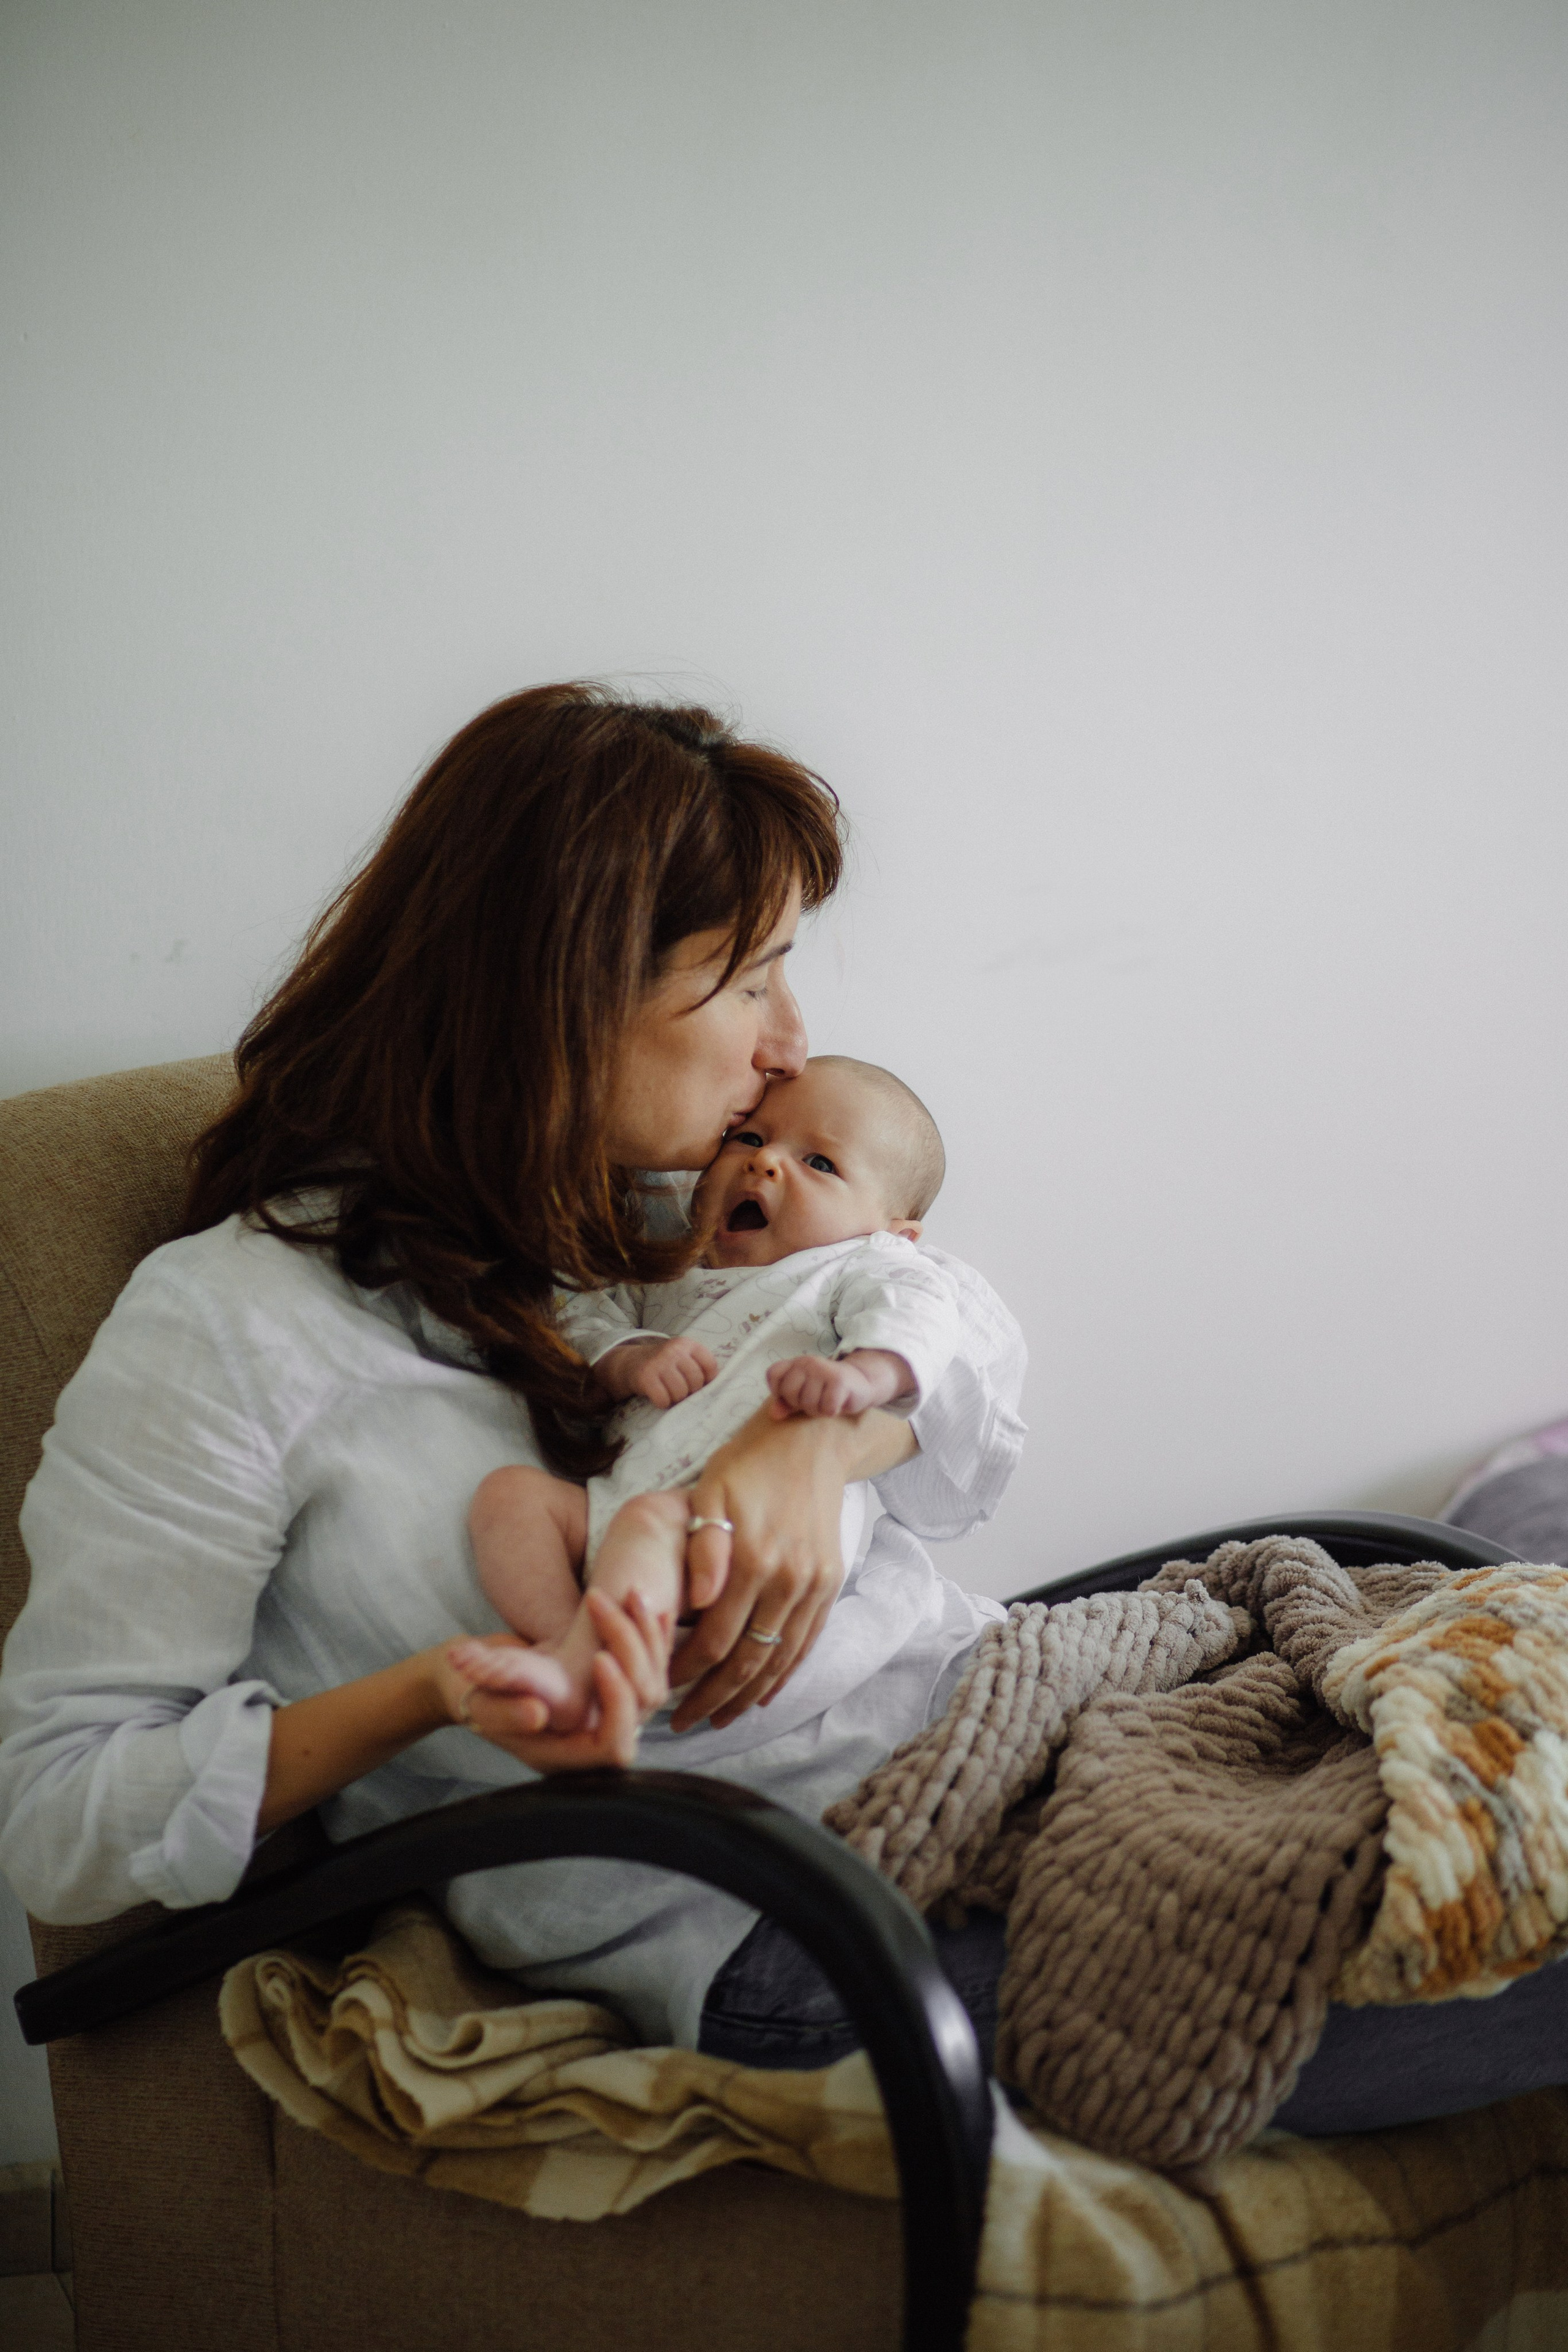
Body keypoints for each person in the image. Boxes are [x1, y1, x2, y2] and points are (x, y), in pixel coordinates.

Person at [0, 684, 1025, 2054]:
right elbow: (62, 1816)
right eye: (751, 979)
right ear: (572, 994)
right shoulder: (229, 1329)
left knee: (1395, 1645)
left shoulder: (644, 1217)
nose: (789, 1043)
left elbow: (929, 1294)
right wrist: (435, 1693)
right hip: (793, 1902)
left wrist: (817, 1445)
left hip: (982, 1717)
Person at [453, 1054, 974, 1731]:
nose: (765, 1164)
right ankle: (565, 1647)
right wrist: (628, 1356)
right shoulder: (670, 1264)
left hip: (744, 1539)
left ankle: (593, 1678)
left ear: (893, 1231)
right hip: (618, 1505)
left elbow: (920, 1316)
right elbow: (584, 1314)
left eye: (820, 1164)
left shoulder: (856, 1266)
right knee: (511, 1498)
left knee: (647, 1526)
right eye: (751, 1139)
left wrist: (861, 1376)